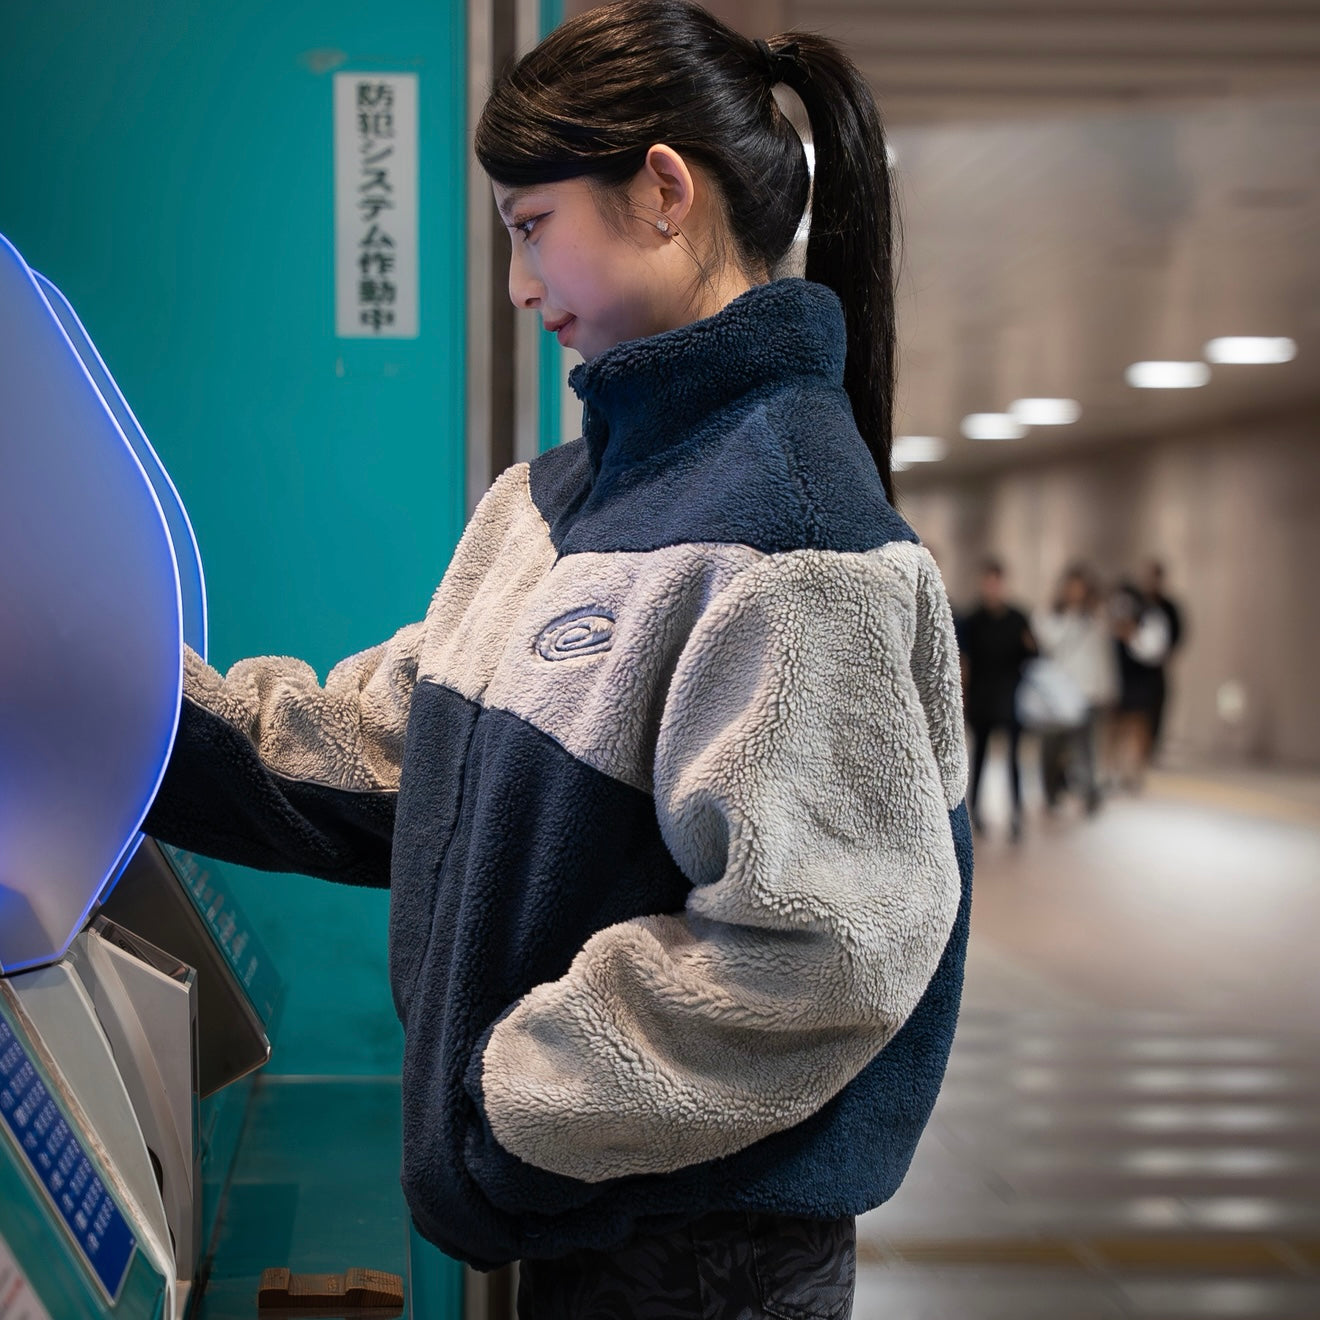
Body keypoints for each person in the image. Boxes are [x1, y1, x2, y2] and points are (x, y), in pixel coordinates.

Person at [145, 4, 973, 1315]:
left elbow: (824, 948)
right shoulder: (559, 501)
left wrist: (514, 1108)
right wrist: (125, 712)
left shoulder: (797, 541)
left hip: (706, 1260)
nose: (522, 286)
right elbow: (392, 748)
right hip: (592, 1224)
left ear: (661, 192)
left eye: (534, 229)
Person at [955, 558, 1036, 839]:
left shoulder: (1018, 618)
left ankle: (1016, 813)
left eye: (996, 582)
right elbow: (964, 660)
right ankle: (975, 811)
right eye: (988, 583)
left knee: (1014, 757)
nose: (992, 588)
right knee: (980, 756)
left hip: (1010, 696)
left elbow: (1033, 655)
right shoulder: (973, 619)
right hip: (982, 697)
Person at [1031, 563, 1118, 813]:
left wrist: (1106, 690)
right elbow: (1047, 642)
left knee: (1085, 747)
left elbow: (1102, 658)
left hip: (1087, 693)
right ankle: (1051, 792)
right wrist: (1070, 616)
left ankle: (1089, 791)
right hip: (1057, 693)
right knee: (1052, 747)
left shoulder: (1095, 620)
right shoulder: (1052, 616)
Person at [1111, 559, 1183, 788]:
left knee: (1144, 721)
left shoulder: (1163, 610)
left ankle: (1138, 767)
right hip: (1125, 673)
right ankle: (1116, 768)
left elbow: (1164, 643)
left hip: (1149, 674)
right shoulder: (1131, 602)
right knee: (1119, 723)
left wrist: (1133, 636)